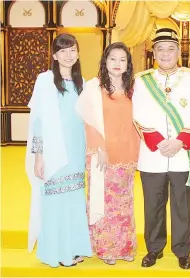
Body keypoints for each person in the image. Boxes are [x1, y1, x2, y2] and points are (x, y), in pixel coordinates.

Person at [132, 28, 190, 270]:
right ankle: (154, 248)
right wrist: (158, 142)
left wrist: (180, 141)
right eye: (160, 49)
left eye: (170, 48)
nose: (165, 54)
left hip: (182, 154)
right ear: (154, 52)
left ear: (178, 51)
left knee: (182, 206)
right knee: (153, 204)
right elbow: (137, 113)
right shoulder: (142, 81)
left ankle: (183, 250)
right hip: (152, 154)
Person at [25, 33, 92, 267]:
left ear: (78, 53)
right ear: (54, 55)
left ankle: (73, 248)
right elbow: (38, 120)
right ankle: (56, 251)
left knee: (73, 199)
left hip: (76, 149)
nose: (68, 55)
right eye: (62, 51)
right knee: (55, 201)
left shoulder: (81, 82)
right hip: (54, 151)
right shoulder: (44, 80)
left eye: (72, 50)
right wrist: (39, 156)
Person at [75, 42, 140, 265]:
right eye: (113, 58)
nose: (117, 64)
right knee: (103, 202)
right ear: (105, 60)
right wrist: (100, 148)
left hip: (128, 153)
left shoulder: (134, 87)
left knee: (124, 203)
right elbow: (88, 121)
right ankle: (105, 248)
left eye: (123, 59)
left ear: (128, 64)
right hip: (102, 153)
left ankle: (125, 247)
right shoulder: (94, 87)